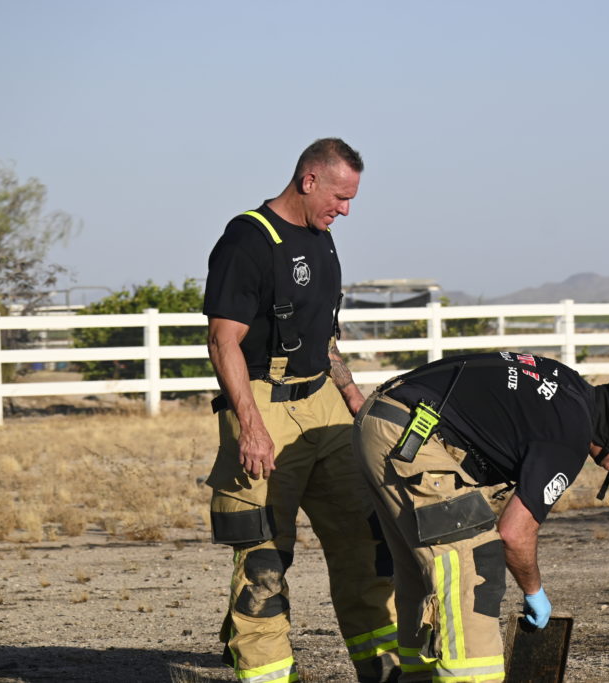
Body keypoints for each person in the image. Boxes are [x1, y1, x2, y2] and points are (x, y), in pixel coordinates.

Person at [352, 352, 609, 681]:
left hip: (387, 422)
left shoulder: (568, 387)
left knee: (423, 570)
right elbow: (514, 534)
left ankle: (419, 677)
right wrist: (534, 591)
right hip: (411, 437)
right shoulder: (569, 436)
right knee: (474, 564)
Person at [203, 138, 399, 683]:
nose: (346, 210)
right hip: (264, 404)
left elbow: (322, 336)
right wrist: (250, 426)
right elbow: (222, 340)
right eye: (340, 196)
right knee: (264, 560)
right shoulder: (247, 239)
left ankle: (386, 672)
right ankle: (266, 672)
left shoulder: (321, 239)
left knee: (368, 546)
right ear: (309, 180)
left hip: (324, 404)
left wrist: (353, 396)